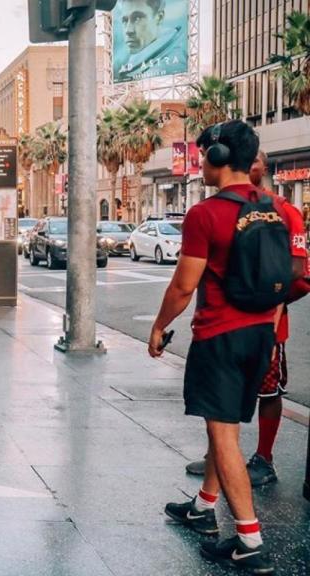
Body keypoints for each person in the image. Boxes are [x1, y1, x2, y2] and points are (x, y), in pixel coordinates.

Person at [150, 121, 305, 574]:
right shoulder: (277, 208)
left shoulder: (205, 214)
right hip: (260, 336)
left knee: (223, 435)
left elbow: (183, 285)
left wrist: (159, 328)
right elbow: (292, 276)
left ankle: (250, 541)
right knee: (228, 431)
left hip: (219, 336)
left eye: (203, 154)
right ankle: (203, 507)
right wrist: (271, 322)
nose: (200, 162)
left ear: (218, 157)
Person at [184, 150, 310, 487]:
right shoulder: (218, 208)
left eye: (256, 161)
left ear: (263, 168)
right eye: (246, 159)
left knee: (268, 392)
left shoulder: (283, 210)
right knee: (220, 401)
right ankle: (219, 463)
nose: (250, 165)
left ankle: (264, 459)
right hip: (221, 325)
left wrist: (272, 308)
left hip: (265, 326)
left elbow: (299, 273)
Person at [114, 0, 188, 82]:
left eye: (137, 18)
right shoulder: (133, 62)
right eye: (124, 20)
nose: (128, 30)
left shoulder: (171, 65)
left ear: (159, 17)